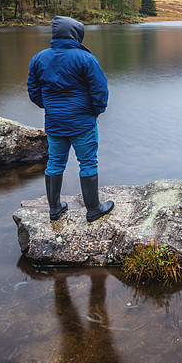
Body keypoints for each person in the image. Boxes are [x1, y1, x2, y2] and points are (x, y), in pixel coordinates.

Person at [27, 16, 114, 222]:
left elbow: (33, 92)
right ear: (76, 34)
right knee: (88, 162)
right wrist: (95, 111)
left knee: (55, 162)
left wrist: (50, 107)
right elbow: (100, 91)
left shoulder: (39, 58)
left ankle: (55, 209)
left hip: (55, 122)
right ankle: (93, 210)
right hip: (82, 122)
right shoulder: (86, 59)